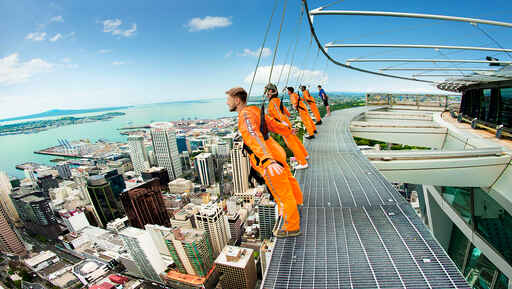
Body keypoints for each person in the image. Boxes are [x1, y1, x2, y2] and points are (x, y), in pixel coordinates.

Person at [226, 87, 301, 238]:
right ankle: (297, 202)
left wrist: (267, 160)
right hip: (275, 149)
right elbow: (271, 124)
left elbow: (254, 137)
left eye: (228, 100)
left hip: (268, 156)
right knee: (288, 180)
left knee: (281, 192)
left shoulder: (245, 115)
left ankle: (291, 226)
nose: (227, 103)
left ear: (237, 100)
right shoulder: (254, 110)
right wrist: (287, 131)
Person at [265, 83, 309, 170]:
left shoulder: (272, 103)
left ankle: (303, 162)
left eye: (266, 92)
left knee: (291, 144)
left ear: (270, 92)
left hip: (283, 125)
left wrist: (285, 127)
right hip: (286, 123)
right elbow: (286, 112)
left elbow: (278, 116)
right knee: (295, 141)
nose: (266, 94)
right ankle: (304, 155)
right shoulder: (277, 100)